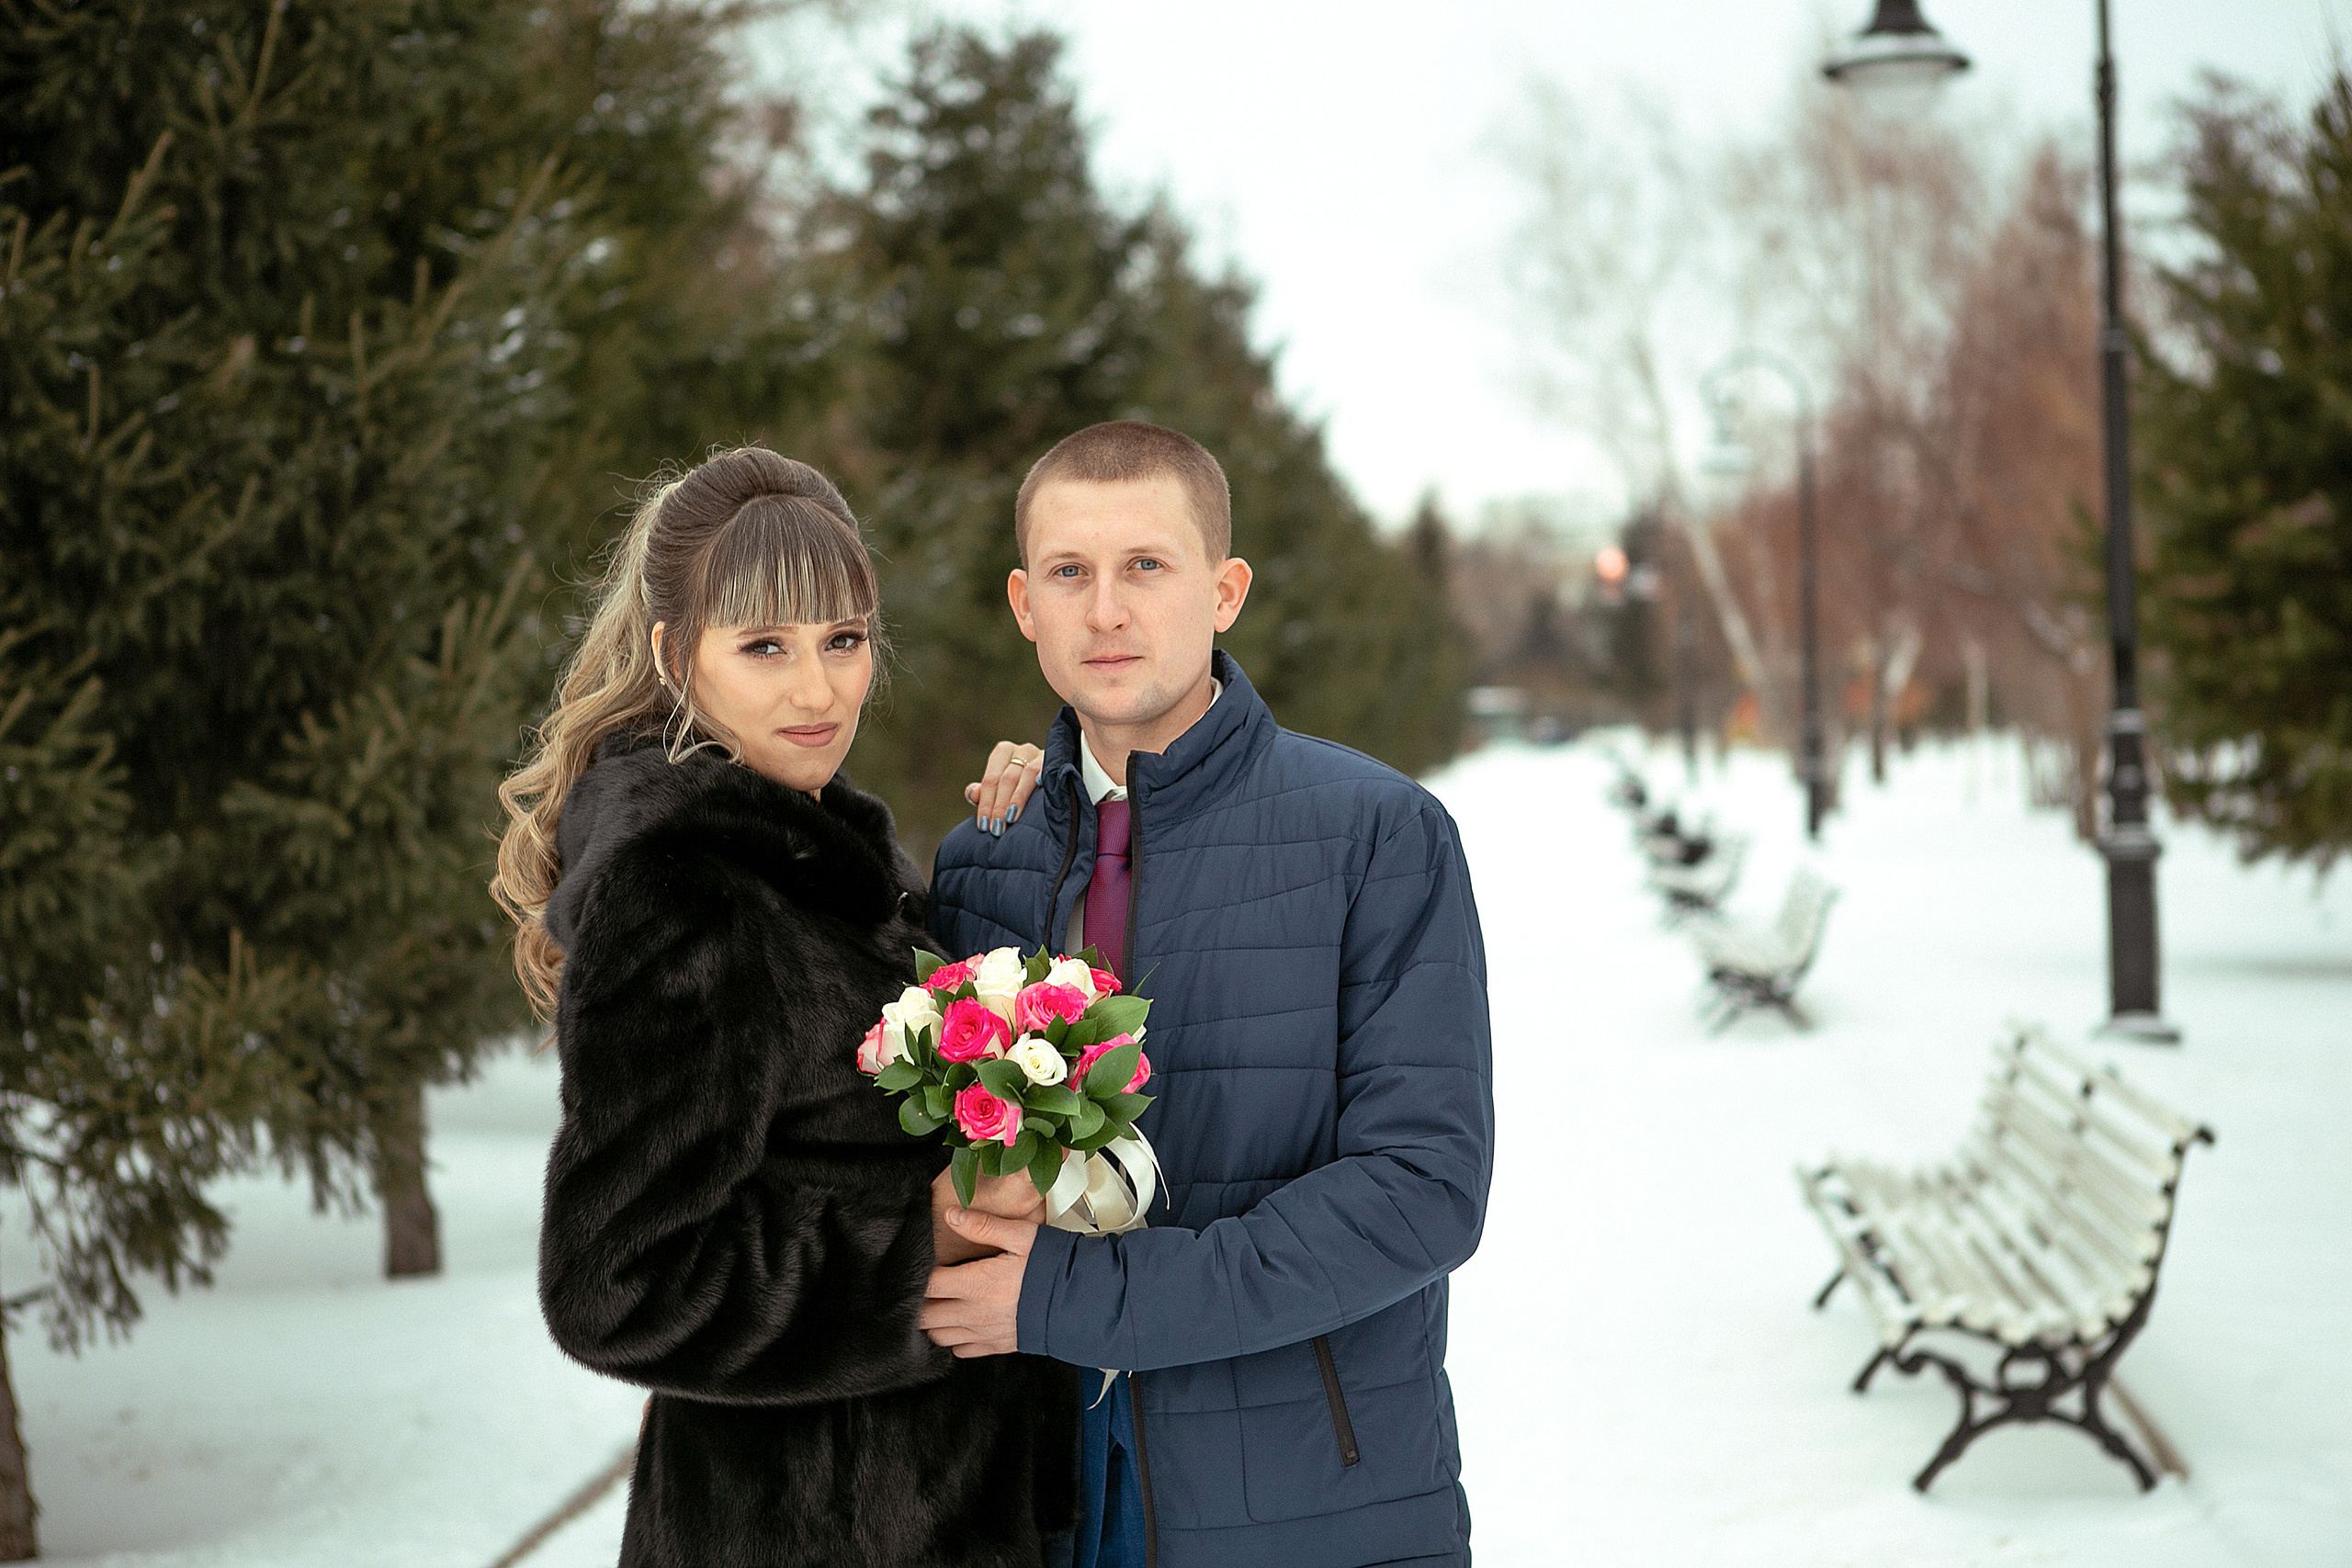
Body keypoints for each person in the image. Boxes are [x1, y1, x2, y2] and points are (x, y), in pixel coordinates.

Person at [922, 422, 1496, 1568]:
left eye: (1146, 566)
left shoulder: (1376, 833)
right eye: (1070, 573)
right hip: (1040, 1501)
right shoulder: (984, 859)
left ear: (1224, 590)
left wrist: (1075, 1299)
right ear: (1023, 603)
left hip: (1311, 1501)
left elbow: (1421, 1193)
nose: (1107, 611)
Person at [491, 446, 1074, 1568]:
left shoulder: (822, 857)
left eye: (842, 641)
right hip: (801, 1530)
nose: (817, 691)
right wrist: (932, 1236)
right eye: (764, 646)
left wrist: (1028, 822)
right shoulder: (689, 891)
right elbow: (619, 1283)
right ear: (676, 656)